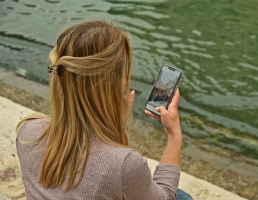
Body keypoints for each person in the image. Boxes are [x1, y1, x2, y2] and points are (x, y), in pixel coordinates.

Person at [16, 21, 193, 200]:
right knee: (182, 197)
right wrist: (174, 135)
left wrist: (113, 120)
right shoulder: (125, 165)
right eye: (124, 71)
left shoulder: (27, 131)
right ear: (112, 88)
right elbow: (166, 197)